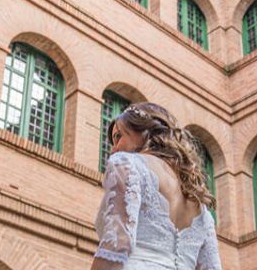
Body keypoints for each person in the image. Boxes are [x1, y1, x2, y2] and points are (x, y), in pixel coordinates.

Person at [91, 102, 222, 270]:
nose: (114, 149)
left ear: (144, 133)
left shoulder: (127, 164)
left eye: (118, 137)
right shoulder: (202, 209)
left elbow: (116, 245)